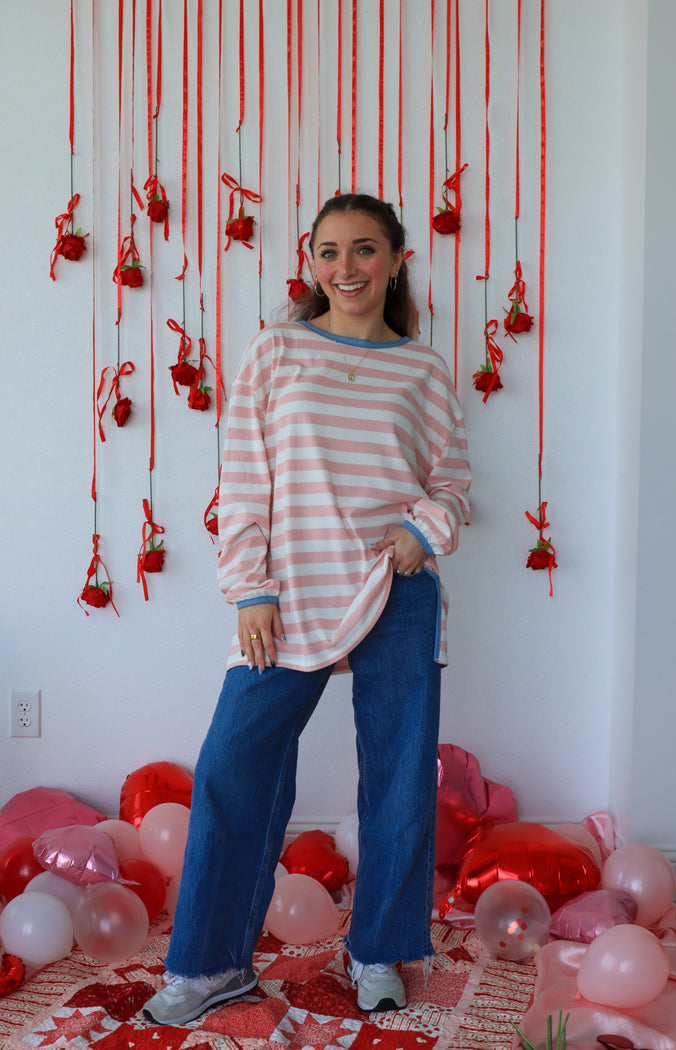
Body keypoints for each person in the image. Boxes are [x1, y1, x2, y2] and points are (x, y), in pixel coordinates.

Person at [143, 193, 471, 1026]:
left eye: (364, 249)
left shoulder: (423, 369)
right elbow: (243, 478)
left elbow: (452, 484)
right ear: (311, 261)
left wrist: (421, 534)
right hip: (288, 591)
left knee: (398, 779)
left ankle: (379, 951)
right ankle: (213, 962)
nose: (346, 267)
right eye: (330, 251)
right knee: (233, 766)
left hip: (395, 587)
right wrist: (250, 588)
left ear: (396, 259)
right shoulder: (278, 349)